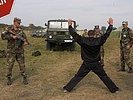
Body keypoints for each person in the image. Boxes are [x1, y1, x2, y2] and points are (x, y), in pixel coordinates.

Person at [63, 18, 119, 93]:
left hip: (86, 63)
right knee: (104, 76)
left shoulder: (83, 40)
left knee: (78, 76)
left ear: (88, 35)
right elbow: (106, 34)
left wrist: (70, 25)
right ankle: (114, 89)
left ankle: (67, 89)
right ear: (94, 34)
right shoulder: (98, 40)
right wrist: (110, 25)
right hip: (96, 63)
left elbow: (74, 34)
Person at [1, 17, 29, 85]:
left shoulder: (21, 31)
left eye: (20, 23)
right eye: (18, 23)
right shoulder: (8, 29)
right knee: (10, 65)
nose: (19, 24)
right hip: (11, 51)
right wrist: (11, 37)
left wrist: (25, 42)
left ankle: (24, 77)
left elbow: (25, 39)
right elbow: (3, 36)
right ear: (14, 22)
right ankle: (9, 78)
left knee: (22, 65)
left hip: (20, 51)